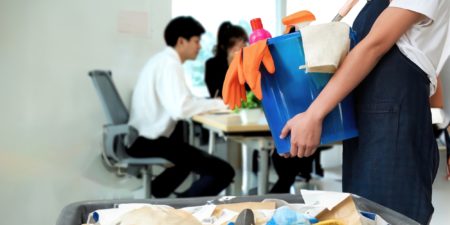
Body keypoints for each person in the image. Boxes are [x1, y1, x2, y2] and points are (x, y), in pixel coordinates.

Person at [279, 0, 449, 224]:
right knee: (361, 218)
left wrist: (314, 114)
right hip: (367, 130)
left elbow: (374, 45)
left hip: (395, 130)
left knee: (391, 218)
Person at [127, 16, 235, 198]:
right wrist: (219, 103)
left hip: (142, 138)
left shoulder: (162, 60)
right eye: (196, 41)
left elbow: (184, 102)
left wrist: (211, 103)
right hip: (150, 141)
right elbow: (181, 108)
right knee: (223, 172)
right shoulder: (169, 64)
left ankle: (157, 197)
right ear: (181, 41)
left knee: (186, 162)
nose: (199, 46)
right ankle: (181, 208)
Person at [205, 21, 248, 98]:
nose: (245, 46)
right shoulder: (211, 65)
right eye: (241, 43)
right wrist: (231, 65)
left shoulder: (247, 63)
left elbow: (250, 92)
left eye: (245, 42)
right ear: (225, 47)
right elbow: (217, 94)